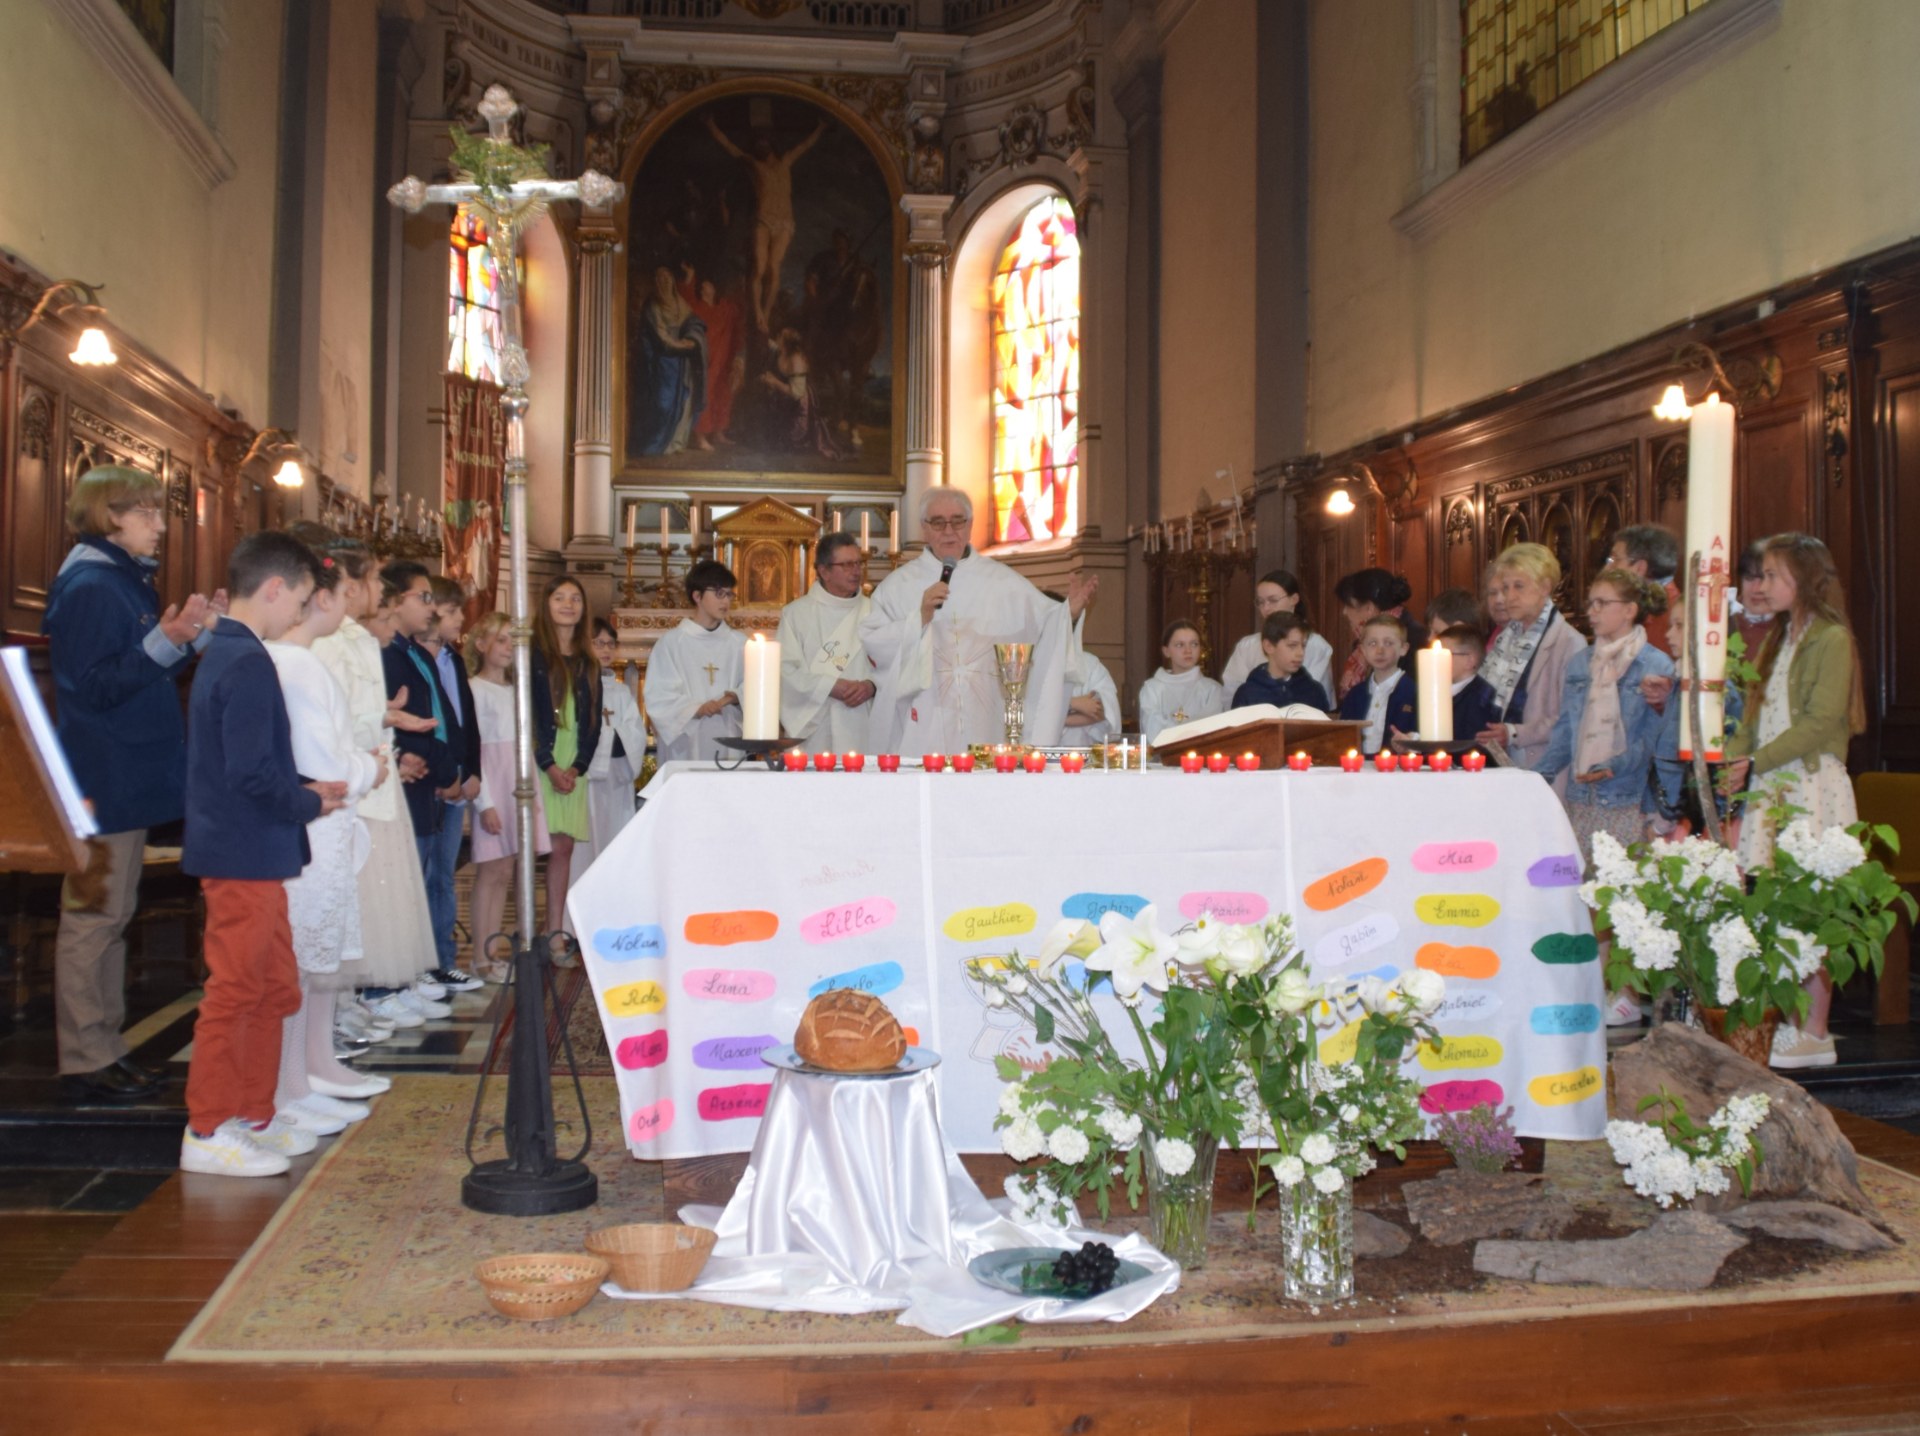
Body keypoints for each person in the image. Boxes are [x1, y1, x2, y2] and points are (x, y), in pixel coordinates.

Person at [42, 466, 219, 1103]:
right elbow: (96, 686)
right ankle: (86, 1054)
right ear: (110, 514)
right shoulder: (93, 585)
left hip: (124, 769)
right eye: (148, 513)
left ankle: (105, 1046)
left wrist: (185, 638)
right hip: (103, 772)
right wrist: (167, 640)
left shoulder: (119, 580)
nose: (162, 525)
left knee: (111, 915)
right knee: (94, 917)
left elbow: (133, 665)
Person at [179, 531, 342, 1177]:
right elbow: (248, 773)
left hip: (256, 849)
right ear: (274, 588)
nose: (300, 614)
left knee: (272, 988)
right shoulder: (246, 661)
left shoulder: (234, 651)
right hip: (241, 851)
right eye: (299, 600)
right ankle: (208, 1128)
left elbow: (247, 763)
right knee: (237, 990)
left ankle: (253, 1113)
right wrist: (309, 804)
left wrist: (302, 790)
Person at [1722, 533, 1866, 1070]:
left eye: (1773, 576)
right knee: (1774, 907)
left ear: (1804, 580)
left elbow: (1820, 720)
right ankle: (1789, 1018)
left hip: (1809, 784)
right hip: (1772, 784)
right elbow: (1756, 716)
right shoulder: (1779, 638)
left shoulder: (1830, 638)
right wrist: (1732, 760)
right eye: (1759, 576)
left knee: (1810, 907)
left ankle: (1817, 1029)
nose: (1760, 586)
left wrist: (1756, 762)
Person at [265, 551, 391, 1120]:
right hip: (312, 824)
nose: (350, 602)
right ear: (321, 597)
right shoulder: (299, 663)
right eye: (344, 591)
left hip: (321, 825)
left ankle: (307, 1073)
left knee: (315, 963)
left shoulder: (299, 660)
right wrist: (369, 769)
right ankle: (290, 1087)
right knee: (300, 963)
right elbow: (323, 761)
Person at [1530, 568, 1675, 1026]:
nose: (1591, 612)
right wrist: (1535, 774)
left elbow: (1656, 738)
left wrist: (1617, 767)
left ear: (1630, 611)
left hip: (1628, 797)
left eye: (1601, 603)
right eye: (1589, 603)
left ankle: (1629, 990)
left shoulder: (1656, 666)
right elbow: (1567, 730)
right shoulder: (1581, 664)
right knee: (1589, 894)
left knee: (1625, 899)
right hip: (1583, 795)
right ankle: (1599, 983)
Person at [311, 546, 440, 1038]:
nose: (378, 593)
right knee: (349, 904)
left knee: (364, 903)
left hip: (372, 777)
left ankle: (349, 1003)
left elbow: (352, 712)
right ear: (348, 587)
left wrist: (383, 725)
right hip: (348, 786)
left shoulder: (355, 639)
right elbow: (329, 722)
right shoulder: (331, 642)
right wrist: (382, 723)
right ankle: (343, 1006)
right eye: (373, 583)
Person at [859, 488, 1071, 752]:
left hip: (986, 722)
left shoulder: (1004, 582)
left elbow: (1047, 624)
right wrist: (919, 619)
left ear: (970, 525)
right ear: (924, 528)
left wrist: (1070, 612)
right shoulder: (898, 586)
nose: (949, 530)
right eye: (938, 522)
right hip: (925, 723)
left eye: (957, 521)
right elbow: (874, 643)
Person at [377, 562, 465, 1013]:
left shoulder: (413, 652)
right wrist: (418, 759)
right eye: (423, 597)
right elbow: (393, 717)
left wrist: (451, 768)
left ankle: (409, 973)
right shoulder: (387, 653)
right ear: (396, 599)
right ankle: (385, 984)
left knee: (418, 883)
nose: (430, 607)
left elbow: (442, 718)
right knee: (397, 885)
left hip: (426, 774)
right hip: (403, 778)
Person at [464, 611, 551, 982]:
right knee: (491, 870)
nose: (508, 649)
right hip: (493, 780)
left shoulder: (517, 690)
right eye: (500, 640)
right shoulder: (474, 688)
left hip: (517, 776)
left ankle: (494, 951)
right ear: (480, 645)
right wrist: (484, 802)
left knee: (509, 867)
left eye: (512, 642)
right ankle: (480, 959)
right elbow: (475, 748)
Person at [417, 576, 483, 993]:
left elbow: (465, 723)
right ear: (433, 611)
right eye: (454, 610)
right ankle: (418, 964)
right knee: (420, 876)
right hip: (429, 783)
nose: (461, 619)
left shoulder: (453, 660)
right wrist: (444, 776)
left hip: (457, 779)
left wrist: (471, 769)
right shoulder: (409, 658)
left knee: (442, 875)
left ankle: (443, 960)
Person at [703, 111, 826, 334]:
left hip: (784, 222)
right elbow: (729, 147)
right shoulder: (752, 164)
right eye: (757, 142)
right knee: (759, 267)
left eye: (764, 140)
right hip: (763, 219)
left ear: (771, 143)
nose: (761, 144)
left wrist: (820, 128)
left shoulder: (785, 161)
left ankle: (766, 314)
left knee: (773, 267)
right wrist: (712, 125)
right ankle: (757, 310)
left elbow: (805, 145)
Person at [1477, 543, 1588, 779]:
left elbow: (1570, 718)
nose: (1509, 597)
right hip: (1498, 761)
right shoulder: (1505, 639)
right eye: (1505, 588)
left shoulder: (1569, 642)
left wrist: (1516, 733)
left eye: (1519, 586)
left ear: (1545, 587)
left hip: (1542, 764)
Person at [533, 576, 603, 941]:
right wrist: (548, 764)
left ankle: (555, 930)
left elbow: (593, 721)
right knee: (531, 843)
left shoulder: (587, 662)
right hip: (542, 760)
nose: (568, 604)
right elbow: (528, 715)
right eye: (559, 597)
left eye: (575, 598)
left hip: (572, 764)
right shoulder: (532, 655)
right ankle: (528, 928)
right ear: (545, 604)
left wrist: (577, 767)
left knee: (562, 847)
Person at [776, 533, 874, 755]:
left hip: (863, 724)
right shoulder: (796, 614)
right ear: (823, 571)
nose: (856, 571)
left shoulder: (874, 611)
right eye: (847, 565)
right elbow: (784, 671)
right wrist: (828, 686)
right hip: (813, 730)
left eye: (858, 563)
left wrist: (871, 686)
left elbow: (893, 664)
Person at [645, 560, 747, 762]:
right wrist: (696, 709)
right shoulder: (671, 643)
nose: (726, 601)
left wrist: (734, 696)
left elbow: (759, 686)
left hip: (729, 738)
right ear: (697, 596)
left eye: (729, 594)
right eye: (719, 594)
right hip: (685, 743)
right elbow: (659, 696)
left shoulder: (741, 644)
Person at [584, 619, 650, 868]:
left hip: (617, 778)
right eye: (598, 643)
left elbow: (635, 731)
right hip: (587, 780)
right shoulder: (578, 687)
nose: (606, 650)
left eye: (611, 644)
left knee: (616, 842)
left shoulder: (621, 692)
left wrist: (611, 737)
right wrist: (611, 737)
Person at [633, 265, 707, 456]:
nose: (665, 282)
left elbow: (694, 322)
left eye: (668, 278)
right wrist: (680, 345)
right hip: (663, 362)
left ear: (673, 281)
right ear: (656, 282)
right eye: (660, 278)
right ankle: (659, 444)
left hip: (682, 363)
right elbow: (659, 336)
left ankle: (676, 442)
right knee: (663, 404)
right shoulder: (652, 306)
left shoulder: (678, 301)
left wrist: (692, 339)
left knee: (684, 400)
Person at [1332, 569, 1425, 702]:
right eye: (1373, 644)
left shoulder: (1416, 640)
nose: (1344, 612)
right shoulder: (1361, 644)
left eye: (1348, 605)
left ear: (1369, 608)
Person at [1337, 614, 1418, 756]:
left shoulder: (1415, 693)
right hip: (1358, 768)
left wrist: (1411, 741)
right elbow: (1343, 735)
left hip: (1398, 769)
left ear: (1403, 649)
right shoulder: (1355, 694)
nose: (1380, 650)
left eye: (1388, 643)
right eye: (1372, 643)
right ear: (1362, 650)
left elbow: (1428, 733)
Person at [1138, 621, 1226, 749]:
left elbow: (1210, 730)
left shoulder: (1212, 690)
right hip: (1161, 762)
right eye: (1180, 645)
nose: (1188, 650)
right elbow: (1153, 731)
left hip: (1200, 760)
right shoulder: (1152, 688)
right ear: (1166, 651)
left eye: (1194, 644)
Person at [1232, 613, 1332, 711]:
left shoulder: (1314, 691)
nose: (1300, 653)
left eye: (1303, 646)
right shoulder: (1247, 694)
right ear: (1269, 646)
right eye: (1292, 646)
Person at [1610, 524, 1680, 652]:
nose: (1609, 568)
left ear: (1640, 568)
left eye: (1616, 559)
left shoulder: (1667, 616)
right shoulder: (1645, 603)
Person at [1434, 624, 1502, 742]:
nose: (1435, 661)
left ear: (1470, 661)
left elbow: (1470, 742)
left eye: (1443, 655)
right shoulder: (1435, 691)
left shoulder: (1481, 699)